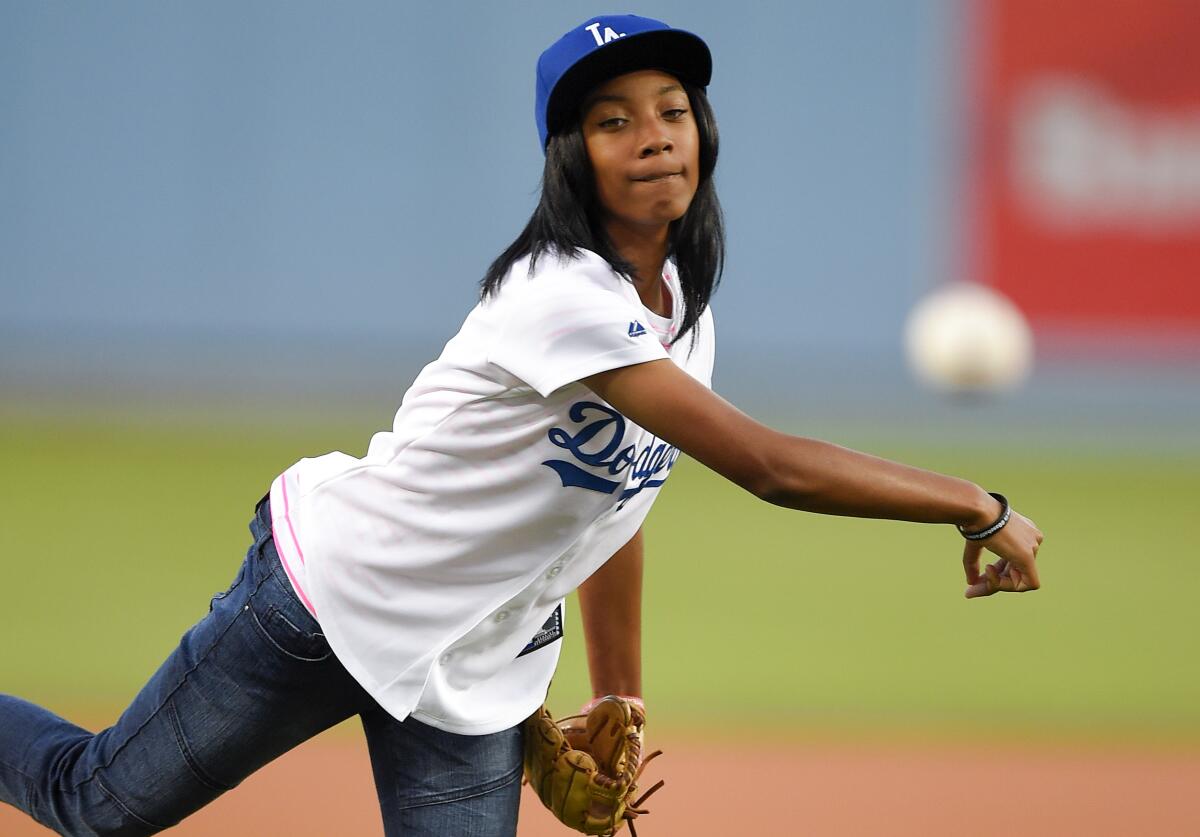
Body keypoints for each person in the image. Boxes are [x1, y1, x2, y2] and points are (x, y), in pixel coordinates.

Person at [0, 14, 1043, 837]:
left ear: (703, 130)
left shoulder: (681, 307)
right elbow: (771, 469)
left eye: (670, 109)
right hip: (331, 602)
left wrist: (621, 696)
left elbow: (612, 510)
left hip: (478, 667)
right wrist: (976, 505)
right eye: (611, 120)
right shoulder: (563, 293)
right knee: (97, 804)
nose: (651, 138)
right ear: (569, 155)